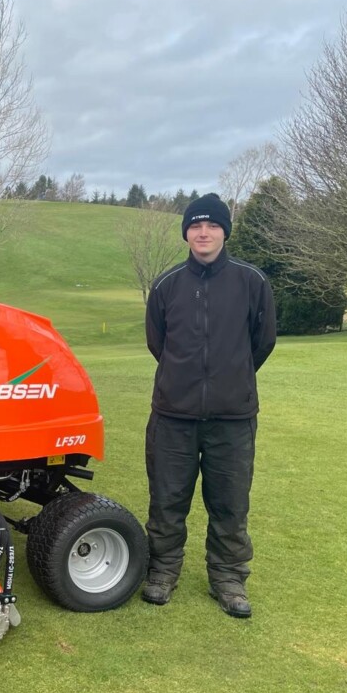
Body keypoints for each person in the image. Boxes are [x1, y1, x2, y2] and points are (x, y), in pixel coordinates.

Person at [140, 192, 276, 618]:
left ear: (224, 232)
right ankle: (162, 571)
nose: (204, 232)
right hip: (173, 417)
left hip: (232, 419)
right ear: (186, 233)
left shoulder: (251, 281)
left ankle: (229, 578)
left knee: (231, 504)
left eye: (213, 225)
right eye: (196, 226)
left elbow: (262, 342)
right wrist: (188, 381)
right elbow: (158, 343)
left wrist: (227, 377)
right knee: (167, 501)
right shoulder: (166, 285)